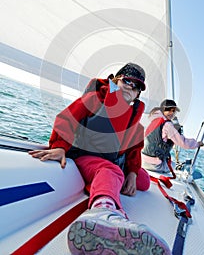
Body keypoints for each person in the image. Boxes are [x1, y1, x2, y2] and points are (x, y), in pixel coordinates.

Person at [29, 63, 171, 255]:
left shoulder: (134, 122)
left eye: (136, 86)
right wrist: (60, 147)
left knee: (144, 182)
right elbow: (66, 119)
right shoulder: (95, 100)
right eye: (126, 81)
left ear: (138, 94)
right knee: (110, 171)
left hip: (110, 163)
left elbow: (134, 149)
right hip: (84, 157)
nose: (130, 86)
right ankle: (103, 212)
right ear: (115, 80)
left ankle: (111, 181)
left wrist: (132, 173)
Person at [142, 99, 204, 173]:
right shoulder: (168, 125)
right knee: (175, 166)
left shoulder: (154, 119)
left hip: (142, 159)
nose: (172, 113)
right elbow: (183, 143)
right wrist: (197, 144)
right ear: (163, 109)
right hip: (155, 165)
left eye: (173, 111)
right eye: (169, 110)